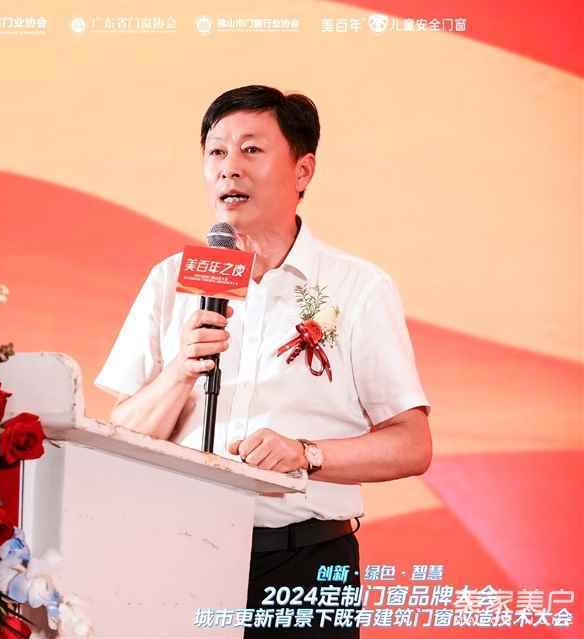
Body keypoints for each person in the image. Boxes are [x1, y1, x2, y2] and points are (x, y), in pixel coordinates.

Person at [94, 85, 432, 638]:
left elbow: (412, 444)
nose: (229, 168)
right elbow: (121, 435)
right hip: (176, 554)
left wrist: (306, 454)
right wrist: (180, 369)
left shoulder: (358, 287)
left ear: (302, 170)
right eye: (216, 151)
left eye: (251, 149)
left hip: (303, 566)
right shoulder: (171, 279)